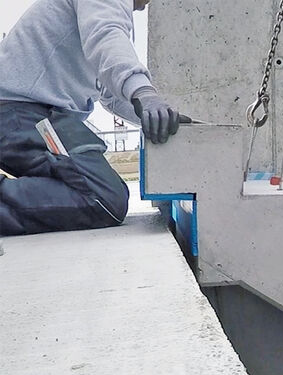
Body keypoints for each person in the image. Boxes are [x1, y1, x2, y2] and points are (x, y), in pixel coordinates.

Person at [0, 0, 181, 237]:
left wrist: (156, 114)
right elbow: (105, 35)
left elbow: (110, 95)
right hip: (21, 113)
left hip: (32, 116)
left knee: (99, 194)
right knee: (103, 197)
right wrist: (143, 92)